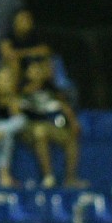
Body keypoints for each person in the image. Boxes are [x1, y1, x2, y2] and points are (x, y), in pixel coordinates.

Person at [19, 58, 84, 189]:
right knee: (40, 132)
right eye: (33, 70)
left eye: (39, 70)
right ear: (27, 73)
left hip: (48, 125)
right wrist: (34, 86)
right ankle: (48, 176)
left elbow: (64, 106)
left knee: (71, 138)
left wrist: (73, 122)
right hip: (27, 127)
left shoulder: (50, 87)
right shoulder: (20, 87)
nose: (37, 73)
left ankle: (70, 179)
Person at [0, 8, 54, 79]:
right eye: (22, 20)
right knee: (14, 62)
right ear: (15, 22)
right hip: (8, 67)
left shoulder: (35, 34)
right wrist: (31, 52)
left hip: (31, 65)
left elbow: (45, 50)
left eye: (28, 19)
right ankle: (15, 89)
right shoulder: (8, 34)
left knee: (44, 65)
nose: (26, 22)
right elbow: (7, 54)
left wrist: (20, 53)